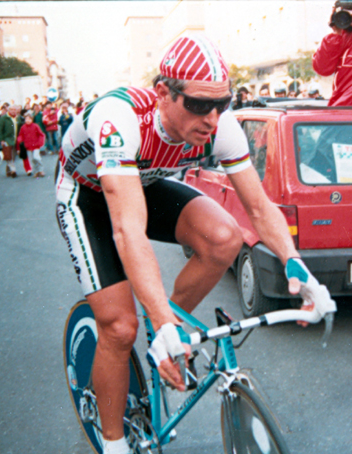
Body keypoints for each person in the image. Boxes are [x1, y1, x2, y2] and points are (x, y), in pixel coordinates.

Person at [55, 35, 334, 454]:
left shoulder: (220, 125)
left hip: (143, 183)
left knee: (225, 237)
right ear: (163, 93)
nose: (213, 117)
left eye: (223, 103)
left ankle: (165, 328)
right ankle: (113, 442)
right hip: (87, 195)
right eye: (200, 105)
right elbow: (128, 230)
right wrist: (157, 317)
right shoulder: (120, 117)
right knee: (119, 326)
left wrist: (298, 265)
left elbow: (258, 207)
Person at [0, 104, 24, 177]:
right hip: (7, 139)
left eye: (14, 110)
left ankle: (9, 170)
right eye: (11, 109)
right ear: (8, 110)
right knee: (9, 155)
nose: (13, 111)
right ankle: (13, 170)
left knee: (13, 156)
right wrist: (1, 139)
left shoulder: (17, 118)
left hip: (15, 139)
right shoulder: (3, 118)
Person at [17, 113, 46, 178]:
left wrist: (40, 142)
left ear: (32, 119)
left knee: (36, 157)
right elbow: (20, 135)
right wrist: (20, 140)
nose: (28, 120)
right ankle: (35, 171)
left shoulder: (35, 126)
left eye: (29, 119)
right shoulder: (23, 127)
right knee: (32, 159)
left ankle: (40, 170)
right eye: (26, 119)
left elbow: (41, 134)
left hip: (36, 145)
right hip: (28, 146)